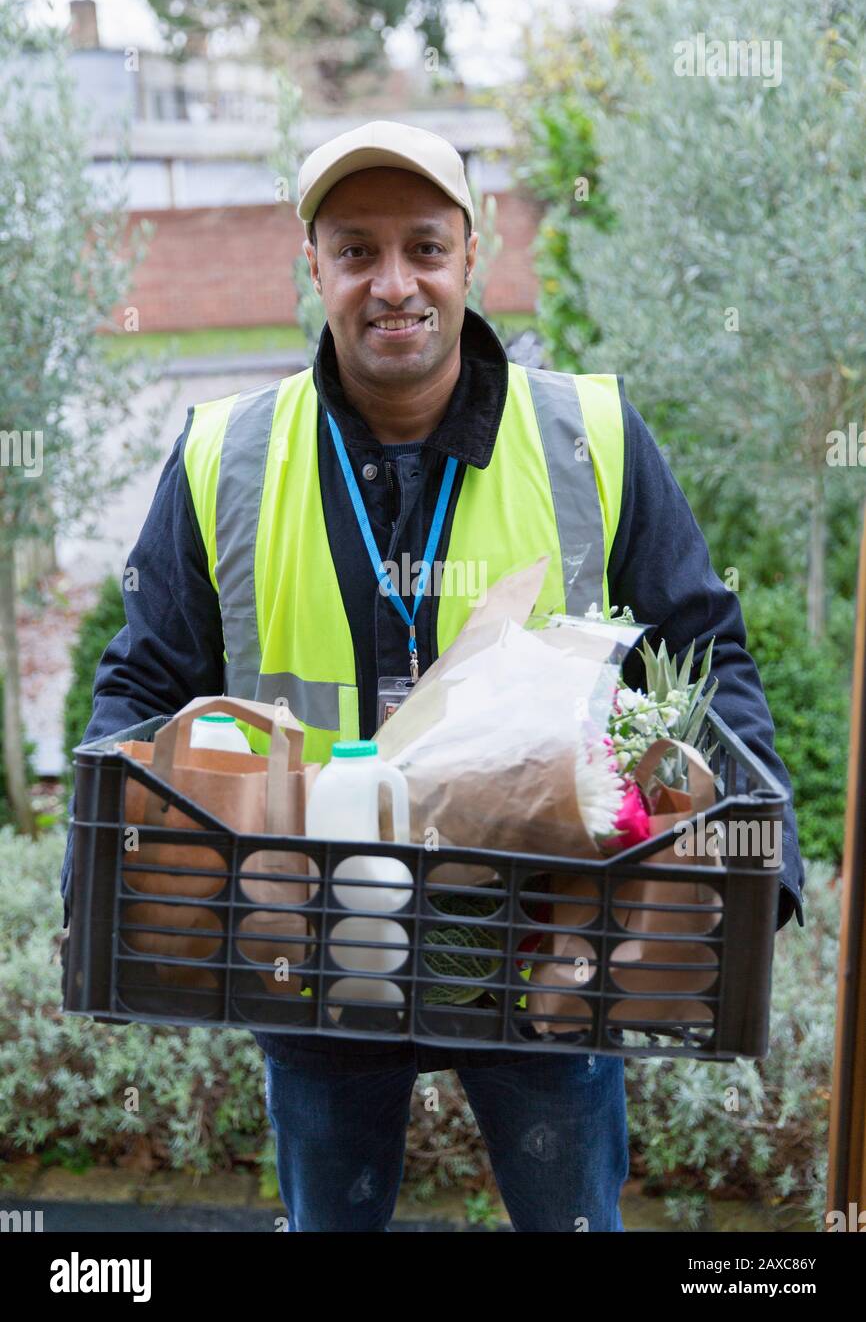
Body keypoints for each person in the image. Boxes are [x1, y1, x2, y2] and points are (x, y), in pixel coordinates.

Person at [63, 120, 804, 1232]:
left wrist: (759, 856)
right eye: (356, 251)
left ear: (471, 254)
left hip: (548, 942)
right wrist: (100, 868)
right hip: (310, 948)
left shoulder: (589, 435)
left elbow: (704, 651)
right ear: (313, 267)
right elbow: (143, 683)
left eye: (423, 247)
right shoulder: (226, 455)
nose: (393, 283)